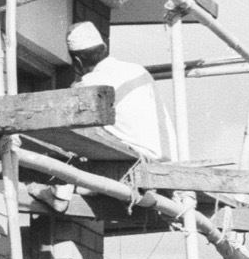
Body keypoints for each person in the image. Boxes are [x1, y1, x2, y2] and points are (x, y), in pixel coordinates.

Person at [60, 18, 174, 163]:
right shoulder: (137, 70)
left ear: (78, 61)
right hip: (166, 157)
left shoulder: (91, 81)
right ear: (105, 47)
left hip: (139, 157)